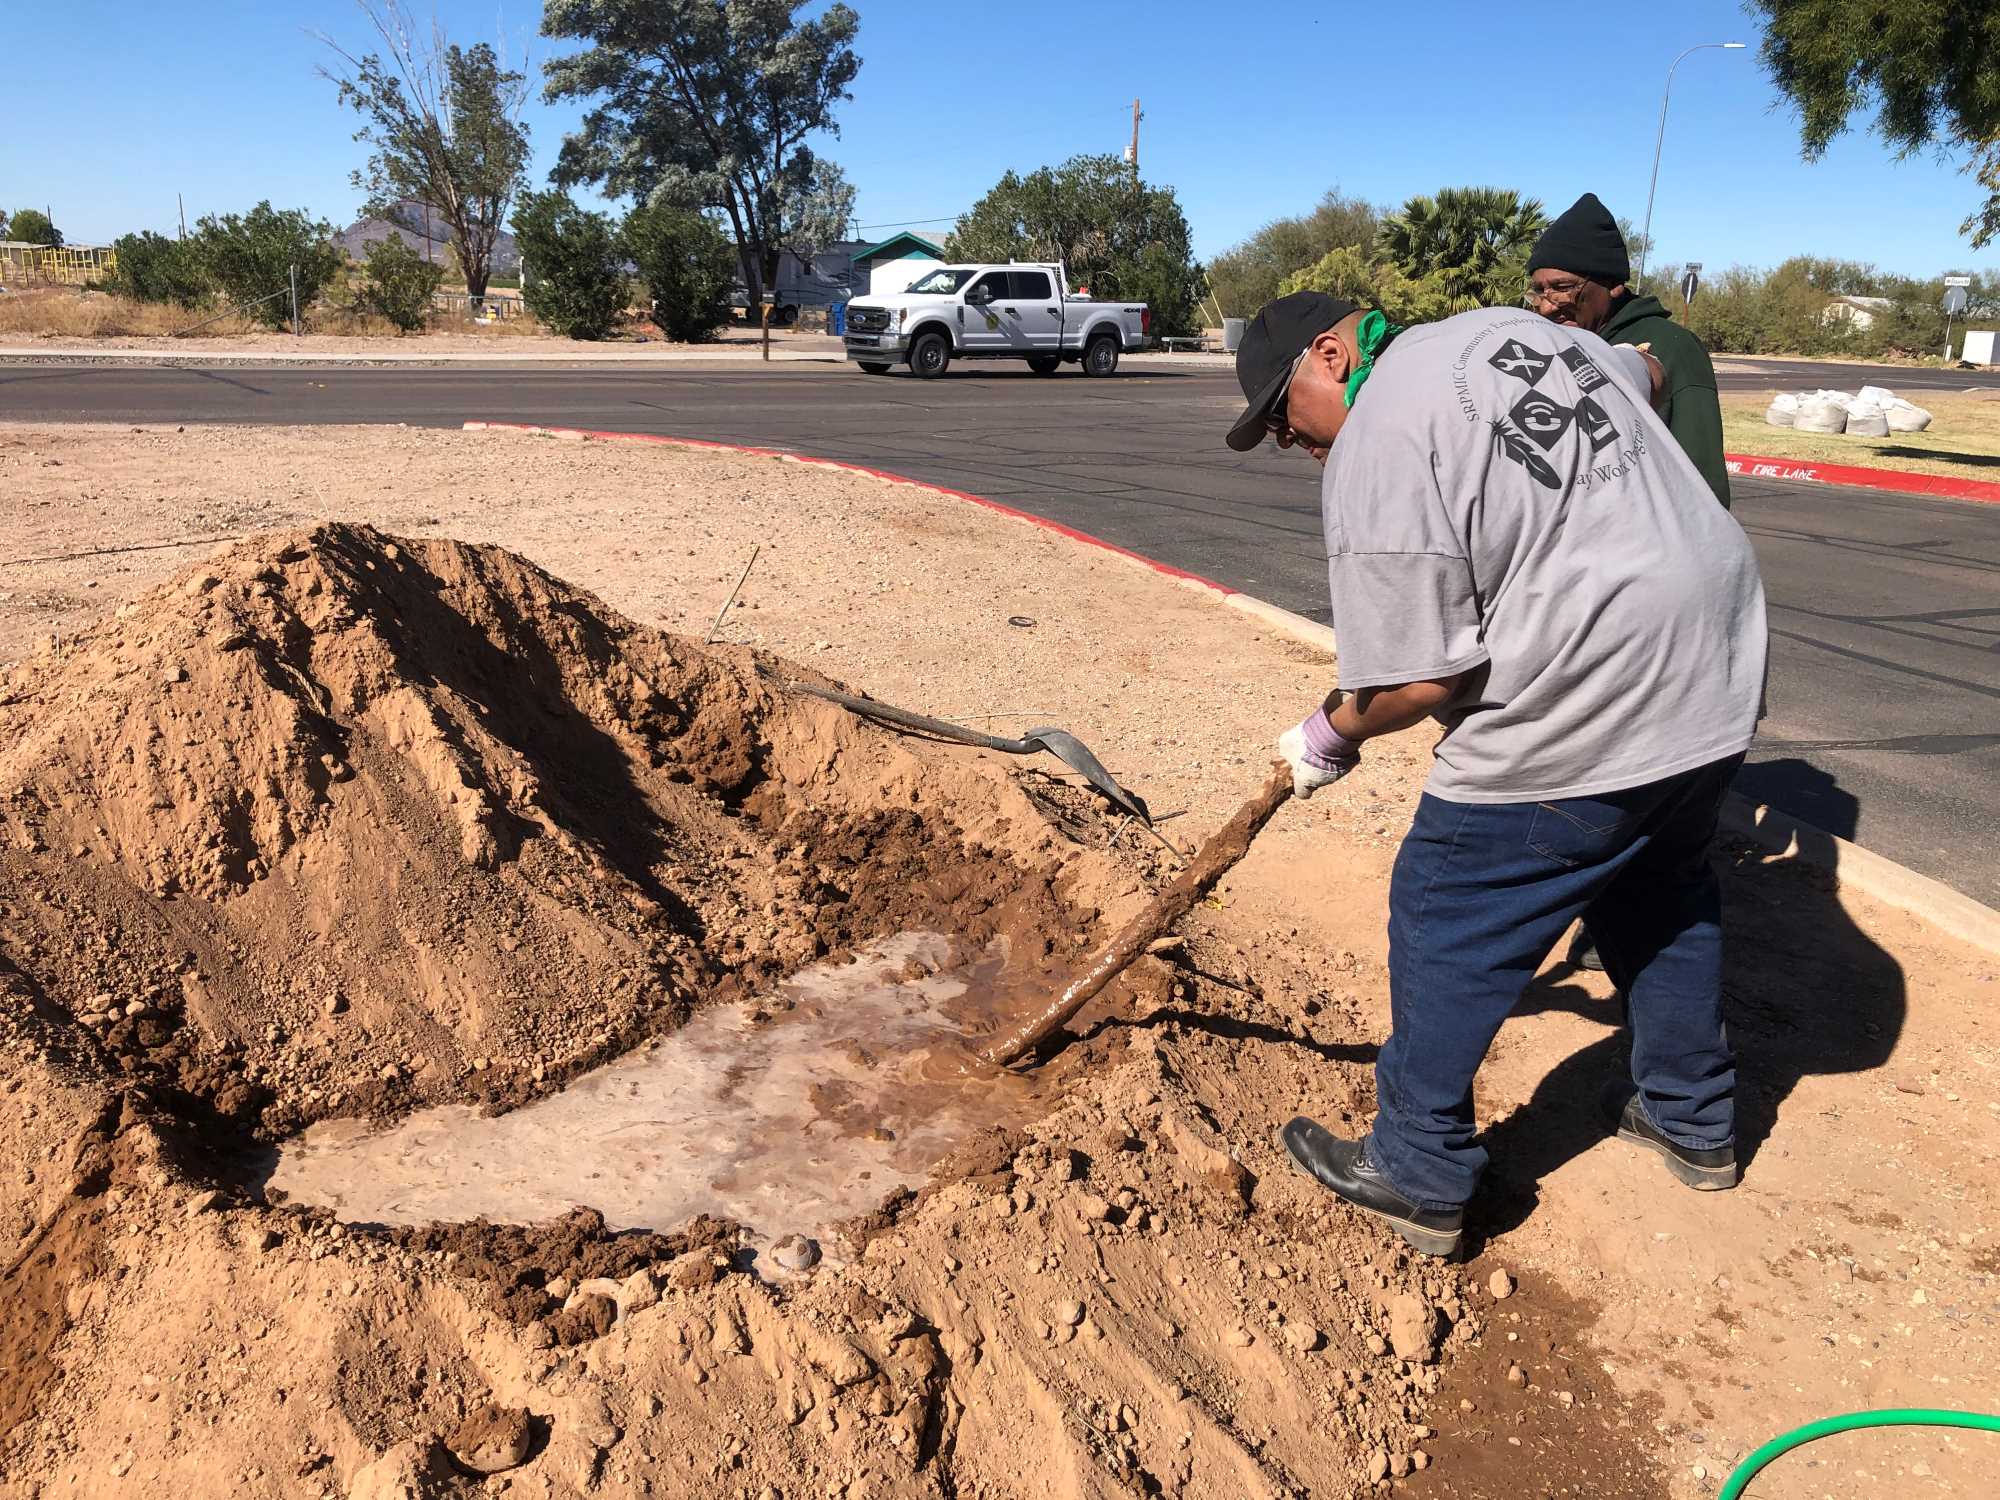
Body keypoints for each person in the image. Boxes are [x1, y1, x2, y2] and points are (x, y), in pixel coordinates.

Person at [1227, 291, 1767, 1258]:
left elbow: (1425, 676)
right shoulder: (1513, 333)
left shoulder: (1378, 437)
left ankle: (1418, 1168)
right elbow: (1650, 366)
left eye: (1281, 415)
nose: (1287, 441)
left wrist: (1324, 735)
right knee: (1660, 887)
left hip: (1601, 675)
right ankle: (1693, 1119)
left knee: (1447, 903)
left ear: (1328, 353)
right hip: (1718, 659)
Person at [1526, 192, 1731, 509]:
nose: (1545, 306)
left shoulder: (1673, 349)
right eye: (1539, 291)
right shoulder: (1550, 343)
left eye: (1562, 288)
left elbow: (1702, 483)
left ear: (1612, 284)